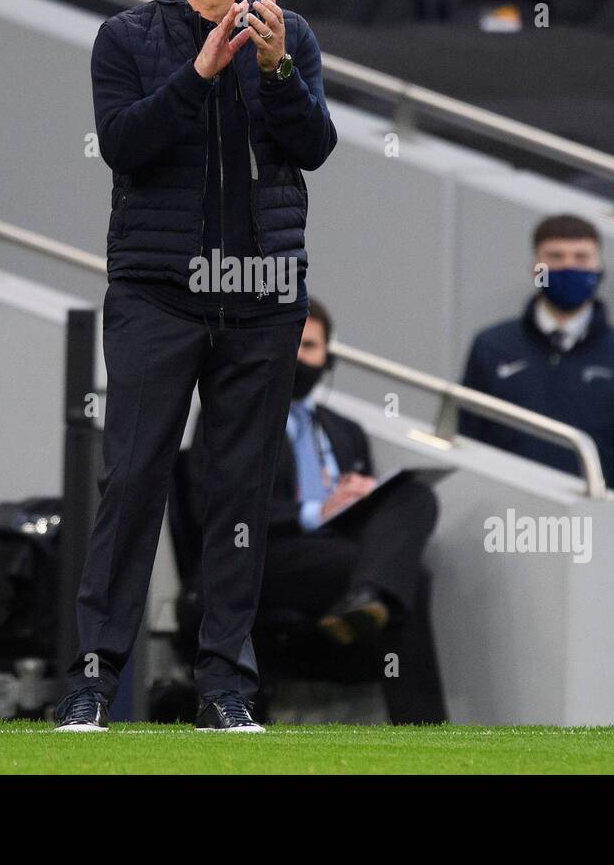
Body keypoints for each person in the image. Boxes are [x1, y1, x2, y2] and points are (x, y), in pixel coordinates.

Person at [55, 0, 337, 731]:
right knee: (133, 478)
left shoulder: (289, 37)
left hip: (261, 296)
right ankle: (94, 681)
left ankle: (225, 684)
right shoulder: (126, 38)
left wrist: (275, 66)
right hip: (157, 292)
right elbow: (124, 145)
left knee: (238, 492)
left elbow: (315, 146)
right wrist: (201, 71)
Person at [185, 298, 448, 723]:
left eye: (309, 346)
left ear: (328, 358)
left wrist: (361, 495)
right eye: (288, 343)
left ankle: (367, 596)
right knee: (409, 579)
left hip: (337, 549)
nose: (297, 356)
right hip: (264, 554)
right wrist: (314, 510)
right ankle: (422, 723)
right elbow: (216, 507)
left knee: (415, 496)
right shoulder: (229, 416)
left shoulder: (345, 431)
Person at [458, 215, 614, 604]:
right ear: (534, 267)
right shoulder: (492, 347)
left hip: (597, 538)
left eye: (581, 257)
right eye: (555, 256)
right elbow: (470, 444)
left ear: (599, 267)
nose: (568, 266)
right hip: (508, 533)